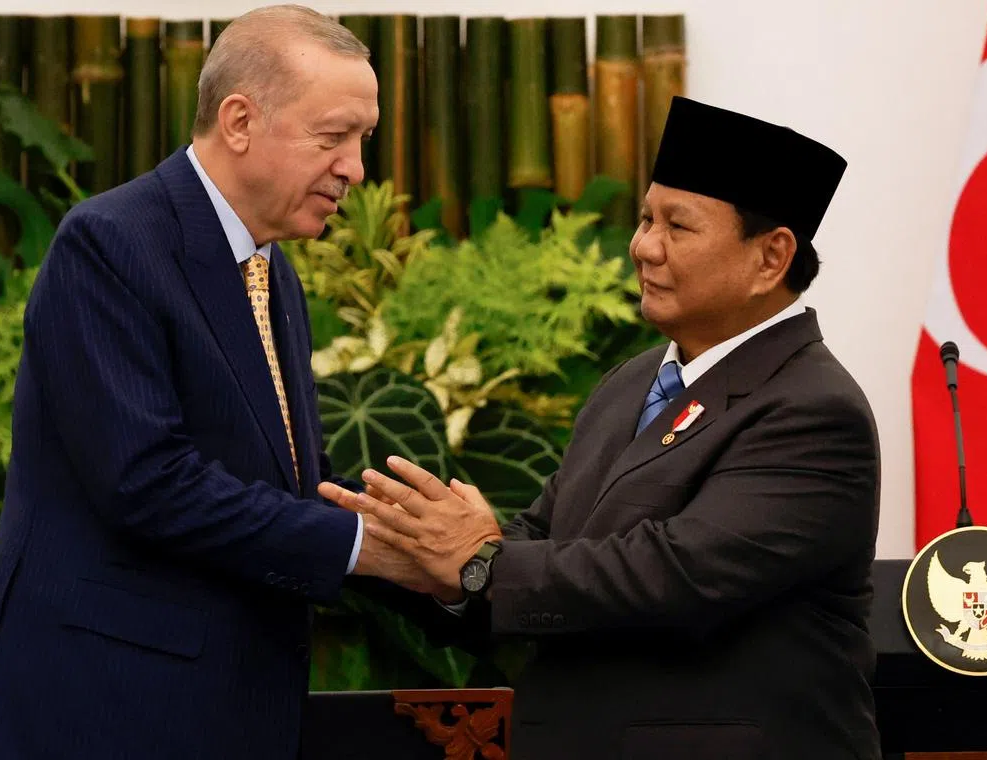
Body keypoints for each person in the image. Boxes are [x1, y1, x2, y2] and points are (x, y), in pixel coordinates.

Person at [321, 97, 883, 760]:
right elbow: (539, 543)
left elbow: (675, 574)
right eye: (646, 219)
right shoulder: (632, 382)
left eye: (678, 226)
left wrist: (479, 564)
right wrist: (417, 560)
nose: (643, 246)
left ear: (770, 258)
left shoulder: (812, 410)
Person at [0, 7, 436, 758]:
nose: (355, 170)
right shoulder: (110, 243)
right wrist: (360, 544)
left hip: (228, 713)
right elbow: (147, 480)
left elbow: (285, 484)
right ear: (239, 120)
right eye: (333, 137)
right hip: (104, 716)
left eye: (362, 142)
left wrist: (437, 547)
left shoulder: (274, 276)